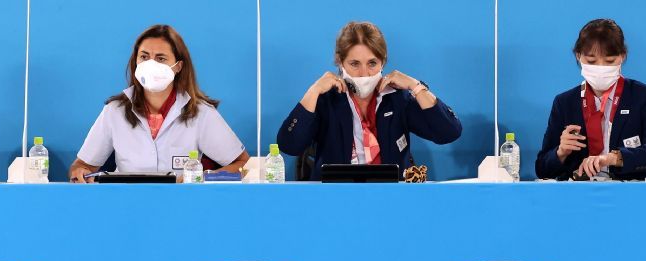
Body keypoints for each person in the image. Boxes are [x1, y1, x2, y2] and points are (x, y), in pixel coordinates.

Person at [276, 21, 462, 181]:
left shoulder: (397, 99)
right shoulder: (327, 100)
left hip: (391, 199)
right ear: (340, 62)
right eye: (354, 64)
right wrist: (314, 90)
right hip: (333, 199)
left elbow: (449, 132)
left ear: (383, 62)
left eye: (372, 63)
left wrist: (416, 86)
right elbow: (289, 145)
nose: (364, 73)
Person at [69, 25, 249, 182]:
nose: (150, 64)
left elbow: (242, 164)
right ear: (135, 61)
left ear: (178, 66)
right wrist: (79, 172)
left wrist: (202, 178)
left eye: (161, 58)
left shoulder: (200, 112)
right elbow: (82, 166)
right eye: (144, 57)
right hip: (125, 204)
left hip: (183, 205)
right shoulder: (114, 111)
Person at [536, 19, 646, 181]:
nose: (600, 68)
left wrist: (613, 158)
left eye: (609, 61)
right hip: (578, 193)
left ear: (622, 56)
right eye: (592, 61)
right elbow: (542, 169)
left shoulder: (644, 96)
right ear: (578, 56)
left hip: (629, 191)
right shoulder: (565, 102)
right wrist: (561, 152)